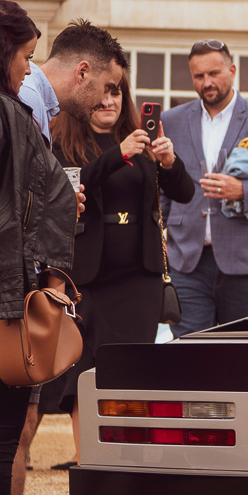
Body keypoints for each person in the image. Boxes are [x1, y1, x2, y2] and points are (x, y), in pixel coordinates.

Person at [11, 16, 125, 495]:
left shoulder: (34, 102)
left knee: (18, 428)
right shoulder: (28, 99)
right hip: (14, 287)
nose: (107, 101)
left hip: (27, 281)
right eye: (104, 88)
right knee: (12, 431)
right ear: (81, 70)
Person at [0, 0, 79, 495]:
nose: (29, 69)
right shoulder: (11, 118)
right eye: (24, 56)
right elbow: (54, 200)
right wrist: (52, 275)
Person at [40, 73, 194, 464]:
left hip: (138, 280)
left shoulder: (143, 139)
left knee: (129, 373)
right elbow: (69, 186)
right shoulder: (66, 141)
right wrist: (119, 154)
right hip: (86, 279)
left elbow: (185, 193)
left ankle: (126, 464)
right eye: (102, 93)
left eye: (116, 92)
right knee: (84, 373)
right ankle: (89, 463)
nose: (110, 100)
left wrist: (169, 162)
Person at [161, 38, 248, 335]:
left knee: (243, 355)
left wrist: (244, 191)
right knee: (187, 354)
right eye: (198, 76)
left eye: (214, 73)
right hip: (187, 262)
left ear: (232, 70)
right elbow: (162, 184)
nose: (206, 82)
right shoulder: (171, 120)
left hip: (247, 263)